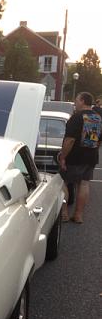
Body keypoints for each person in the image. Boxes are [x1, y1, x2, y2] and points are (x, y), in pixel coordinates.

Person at [59, 91, 102, 223]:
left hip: (74, 157)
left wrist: (63, 157)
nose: (75, 103)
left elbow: (70, 140)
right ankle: (78, 215)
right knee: (84, 184)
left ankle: (65, 213)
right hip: (91, 157)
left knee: (63, 183)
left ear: (82, 100)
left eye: (77, 100)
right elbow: (100, 141)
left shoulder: (77, 117)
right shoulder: (98, 118)